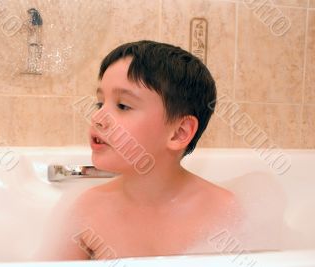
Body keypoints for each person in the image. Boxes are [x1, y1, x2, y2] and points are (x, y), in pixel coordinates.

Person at [51, 40, 239, 260]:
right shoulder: (88, 210)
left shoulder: (225, 212)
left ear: (179, 133)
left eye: (123, 106)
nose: (97, 118)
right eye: (99, 104)